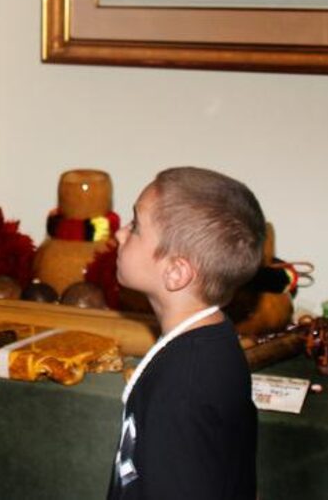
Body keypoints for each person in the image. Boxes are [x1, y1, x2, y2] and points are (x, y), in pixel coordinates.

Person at [107, 167, 264, 500]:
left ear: (176, 272)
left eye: (135, 226)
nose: (120, 233)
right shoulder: (213, 341)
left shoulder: (183, 387)